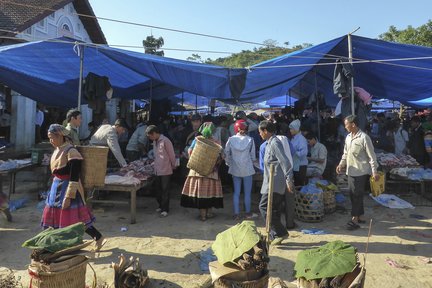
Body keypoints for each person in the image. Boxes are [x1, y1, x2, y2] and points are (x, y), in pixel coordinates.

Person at [41, 124, 105, 250]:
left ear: (60, 136)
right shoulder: (57, 150)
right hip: (56, 187)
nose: (51, 141)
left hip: (68, 188)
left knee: (77, 219)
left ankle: (98, 237)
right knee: (55, 217)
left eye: (52, 137)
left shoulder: (71, 152)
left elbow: (74, 176)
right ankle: (57, 245)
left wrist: (69, 196)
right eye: (49, 138)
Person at [336, 115, 379, 231]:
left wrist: (374, 171)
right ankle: (360, 215)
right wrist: (341, 164)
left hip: (361, 171)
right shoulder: (348, 137)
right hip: (351, 170)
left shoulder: (364, 138)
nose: (345, 127)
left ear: (353, 124)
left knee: (357, 194)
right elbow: (345, 153)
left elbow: (372, 156)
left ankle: (354, 218)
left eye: (346, 124)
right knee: (352, 194)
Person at [258, 120, 295, 245]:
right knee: (274, 210)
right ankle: (275, 235)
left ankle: (281, 232)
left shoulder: (275, 143)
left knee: (263, 207)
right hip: (269, 181)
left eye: (260, 132)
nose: (260, 134)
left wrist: (289, 179)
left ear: (266, 131)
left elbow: (285, 162)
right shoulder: (268, 143)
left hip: (275, 183)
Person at [181, 122, 224, 221]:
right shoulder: (216, 142)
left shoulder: (197, 140)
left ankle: (202, 215)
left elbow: (190, 151)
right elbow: (221, 156)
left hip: (197, 171)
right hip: (211, 173)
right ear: (213, 131)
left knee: (201, 193)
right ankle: (209, 213)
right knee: (210, 192)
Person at [224, 119, 257, 220]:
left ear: (236, 129)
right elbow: (253, 157)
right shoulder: (250, 140)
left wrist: (229, 164)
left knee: (236, 193)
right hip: (247, 169)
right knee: (247, 193)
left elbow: (226, 154)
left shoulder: (230, 139)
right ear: (246, 128)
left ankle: (236, 214)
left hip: (235, 169)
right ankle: (247, 213)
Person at [146, 125, 176, 218]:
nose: (150, 138)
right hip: (157, 169)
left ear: (154, 133)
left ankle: (165, 209)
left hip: (166, 169)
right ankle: (160, 205)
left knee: (165, 190)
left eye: (150, 136)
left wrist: (173, 165)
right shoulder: (155, 141)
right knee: (158, 189)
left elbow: (171, 155)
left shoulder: (166, 141)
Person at [289, 119, 308, 186]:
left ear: (296, 129)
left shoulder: (301, 139)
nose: (290, 130)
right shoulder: (294, 138)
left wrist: (294, 153)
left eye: (291, 129)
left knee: (299, 185)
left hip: (301, 166)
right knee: (296, 184)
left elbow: (304, 152)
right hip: (295, 165)